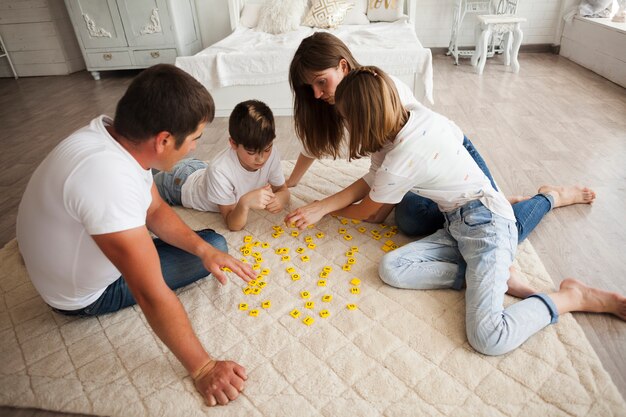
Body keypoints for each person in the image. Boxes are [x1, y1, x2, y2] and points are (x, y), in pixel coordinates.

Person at [285, 66, 626, 355]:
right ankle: (494, 277)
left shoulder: (402, 159)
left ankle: (570, 296)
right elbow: (374, 177)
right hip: (458, 222)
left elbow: (370, 213)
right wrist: (320, 206)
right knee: (392, 267)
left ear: (361, 121)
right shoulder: (411, 115)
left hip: (490, 224)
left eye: (346, 120)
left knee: (489, 337)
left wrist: (323, 212)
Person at [16, 64, 257, 407]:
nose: (193, 149)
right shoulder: (110, 181)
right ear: (163, 140)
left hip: (53, 260)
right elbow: (150, 293)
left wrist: (204, 251)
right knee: (211, 246)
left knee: (211, 246)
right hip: (81, 297)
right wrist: (203, 368)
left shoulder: (112, 138)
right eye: (194, 140)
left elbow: (155, 210)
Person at [287, 32, 596, 241]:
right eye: (309, 88)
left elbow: (373, 209)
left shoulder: (379, 96)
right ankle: (491, 203)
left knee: (504, 231)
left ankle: (549, 197)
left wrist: (327, 207)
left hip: (452, 153)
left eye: (320, 82)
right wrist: (291, 184)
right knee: (410, 220)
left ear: (342, 66)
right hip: (416, 168)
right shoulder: (336, 101)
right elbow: (333, 155)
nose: (315, 95)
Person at [154, 99, 289, 231]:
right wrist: (244, 203)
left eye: (266, 149)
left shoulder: (272, 153)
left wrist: (281, 198)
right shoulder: (219, 170)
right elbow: (233, 224)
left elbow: (282, 189)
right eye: (251, 152)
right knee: (141, 181)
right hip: (177, 184)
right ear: (233, 144)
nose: (261, 159)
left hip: (200, 169)